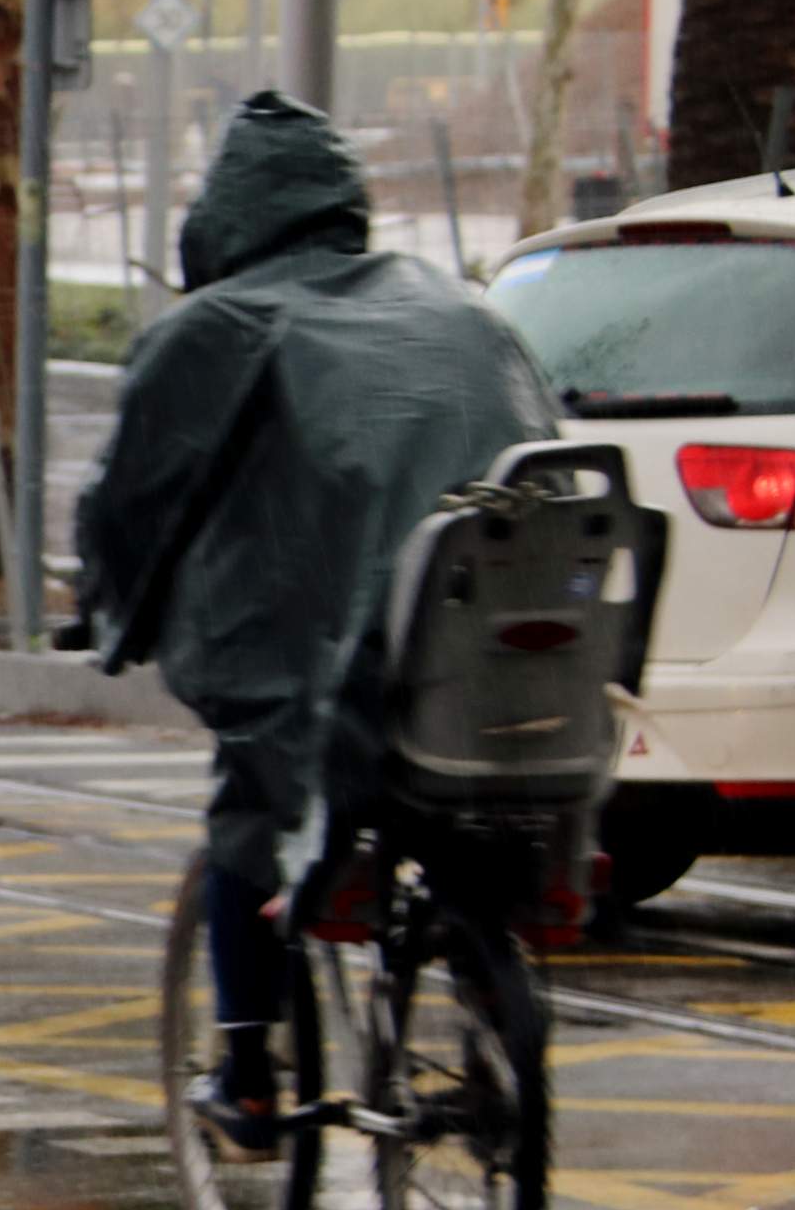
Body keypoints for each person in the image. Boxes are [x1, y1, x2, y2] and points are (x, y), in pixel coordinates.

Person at [76, 93, 556, 1153]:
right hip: (503, 676)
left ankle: (248, 1081)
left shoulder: (220, 325)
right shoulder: (463, 309)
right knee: (458, 831)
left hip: (343, 681)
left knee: (250, 809)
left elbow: (131, 499)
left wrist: (102, 611)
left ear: (224, 218)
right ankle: (492, 1030)